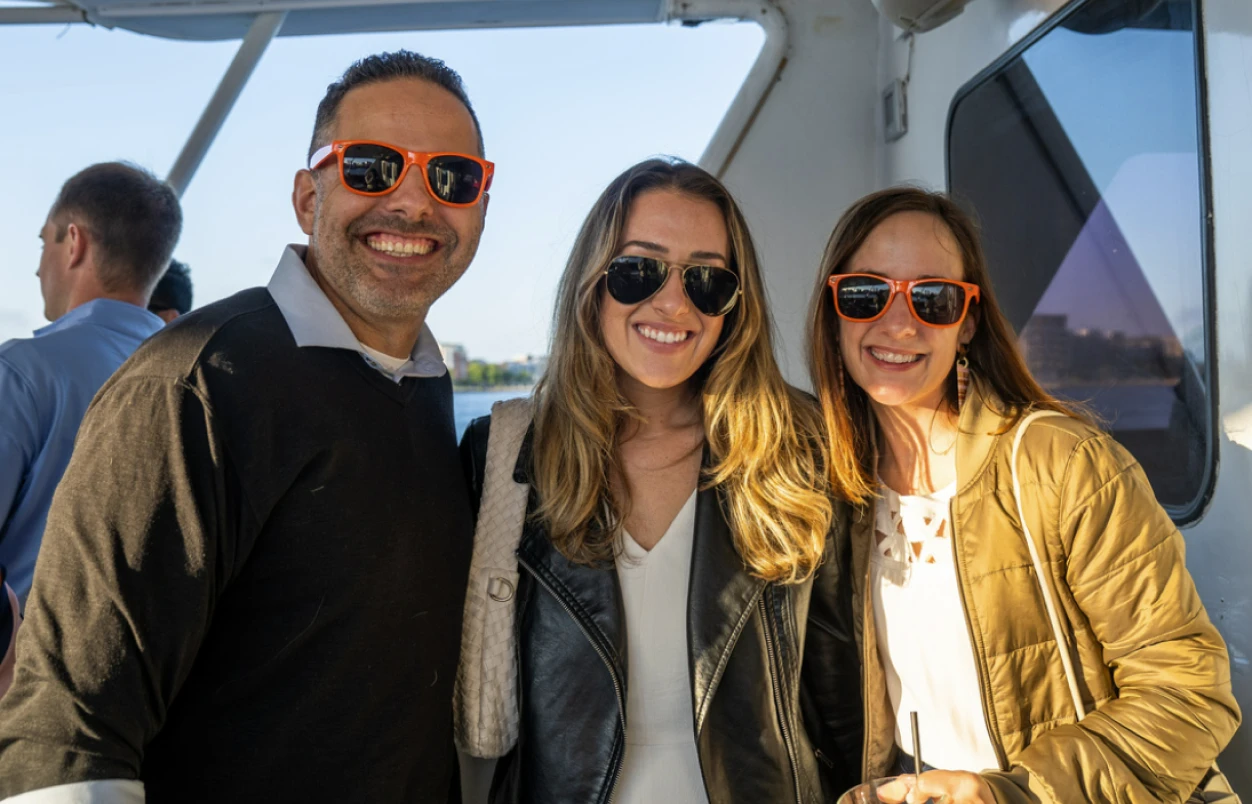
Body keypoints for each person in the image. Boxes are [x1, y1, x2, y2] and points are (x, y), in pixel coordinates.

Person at [0, 50, 492, 803]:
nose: (414, 203)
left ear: (481, 207)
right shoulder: (193, 385)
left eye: (451, 177)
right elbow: (67, 730)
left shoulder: (417, 386)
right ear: (307, 197)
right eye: (371, 167)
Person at [806, 187, 1240, 803]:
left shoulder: (1062, 465)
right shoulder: (834, 494)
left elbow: (1188, 691)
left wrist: (1013, 793)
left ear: (968, 322)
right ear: (834, 311)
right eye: (866, 293)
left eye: (932, 298)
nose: (897, 322)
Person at [457, 158, 862, 804]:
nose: (672, 304)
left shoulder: (798, 452)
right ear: (593, 283)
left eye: (706, 281)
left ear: (735, 305)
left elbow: (844, 704)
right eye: (638, 270)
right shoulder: (506, 457)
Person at [0, 162, 180, 604]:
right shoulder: (199, 382)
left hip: (22, 664)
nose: (38, 269)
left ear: (74, 243)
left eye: (45, 241)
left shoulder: (23, 373)